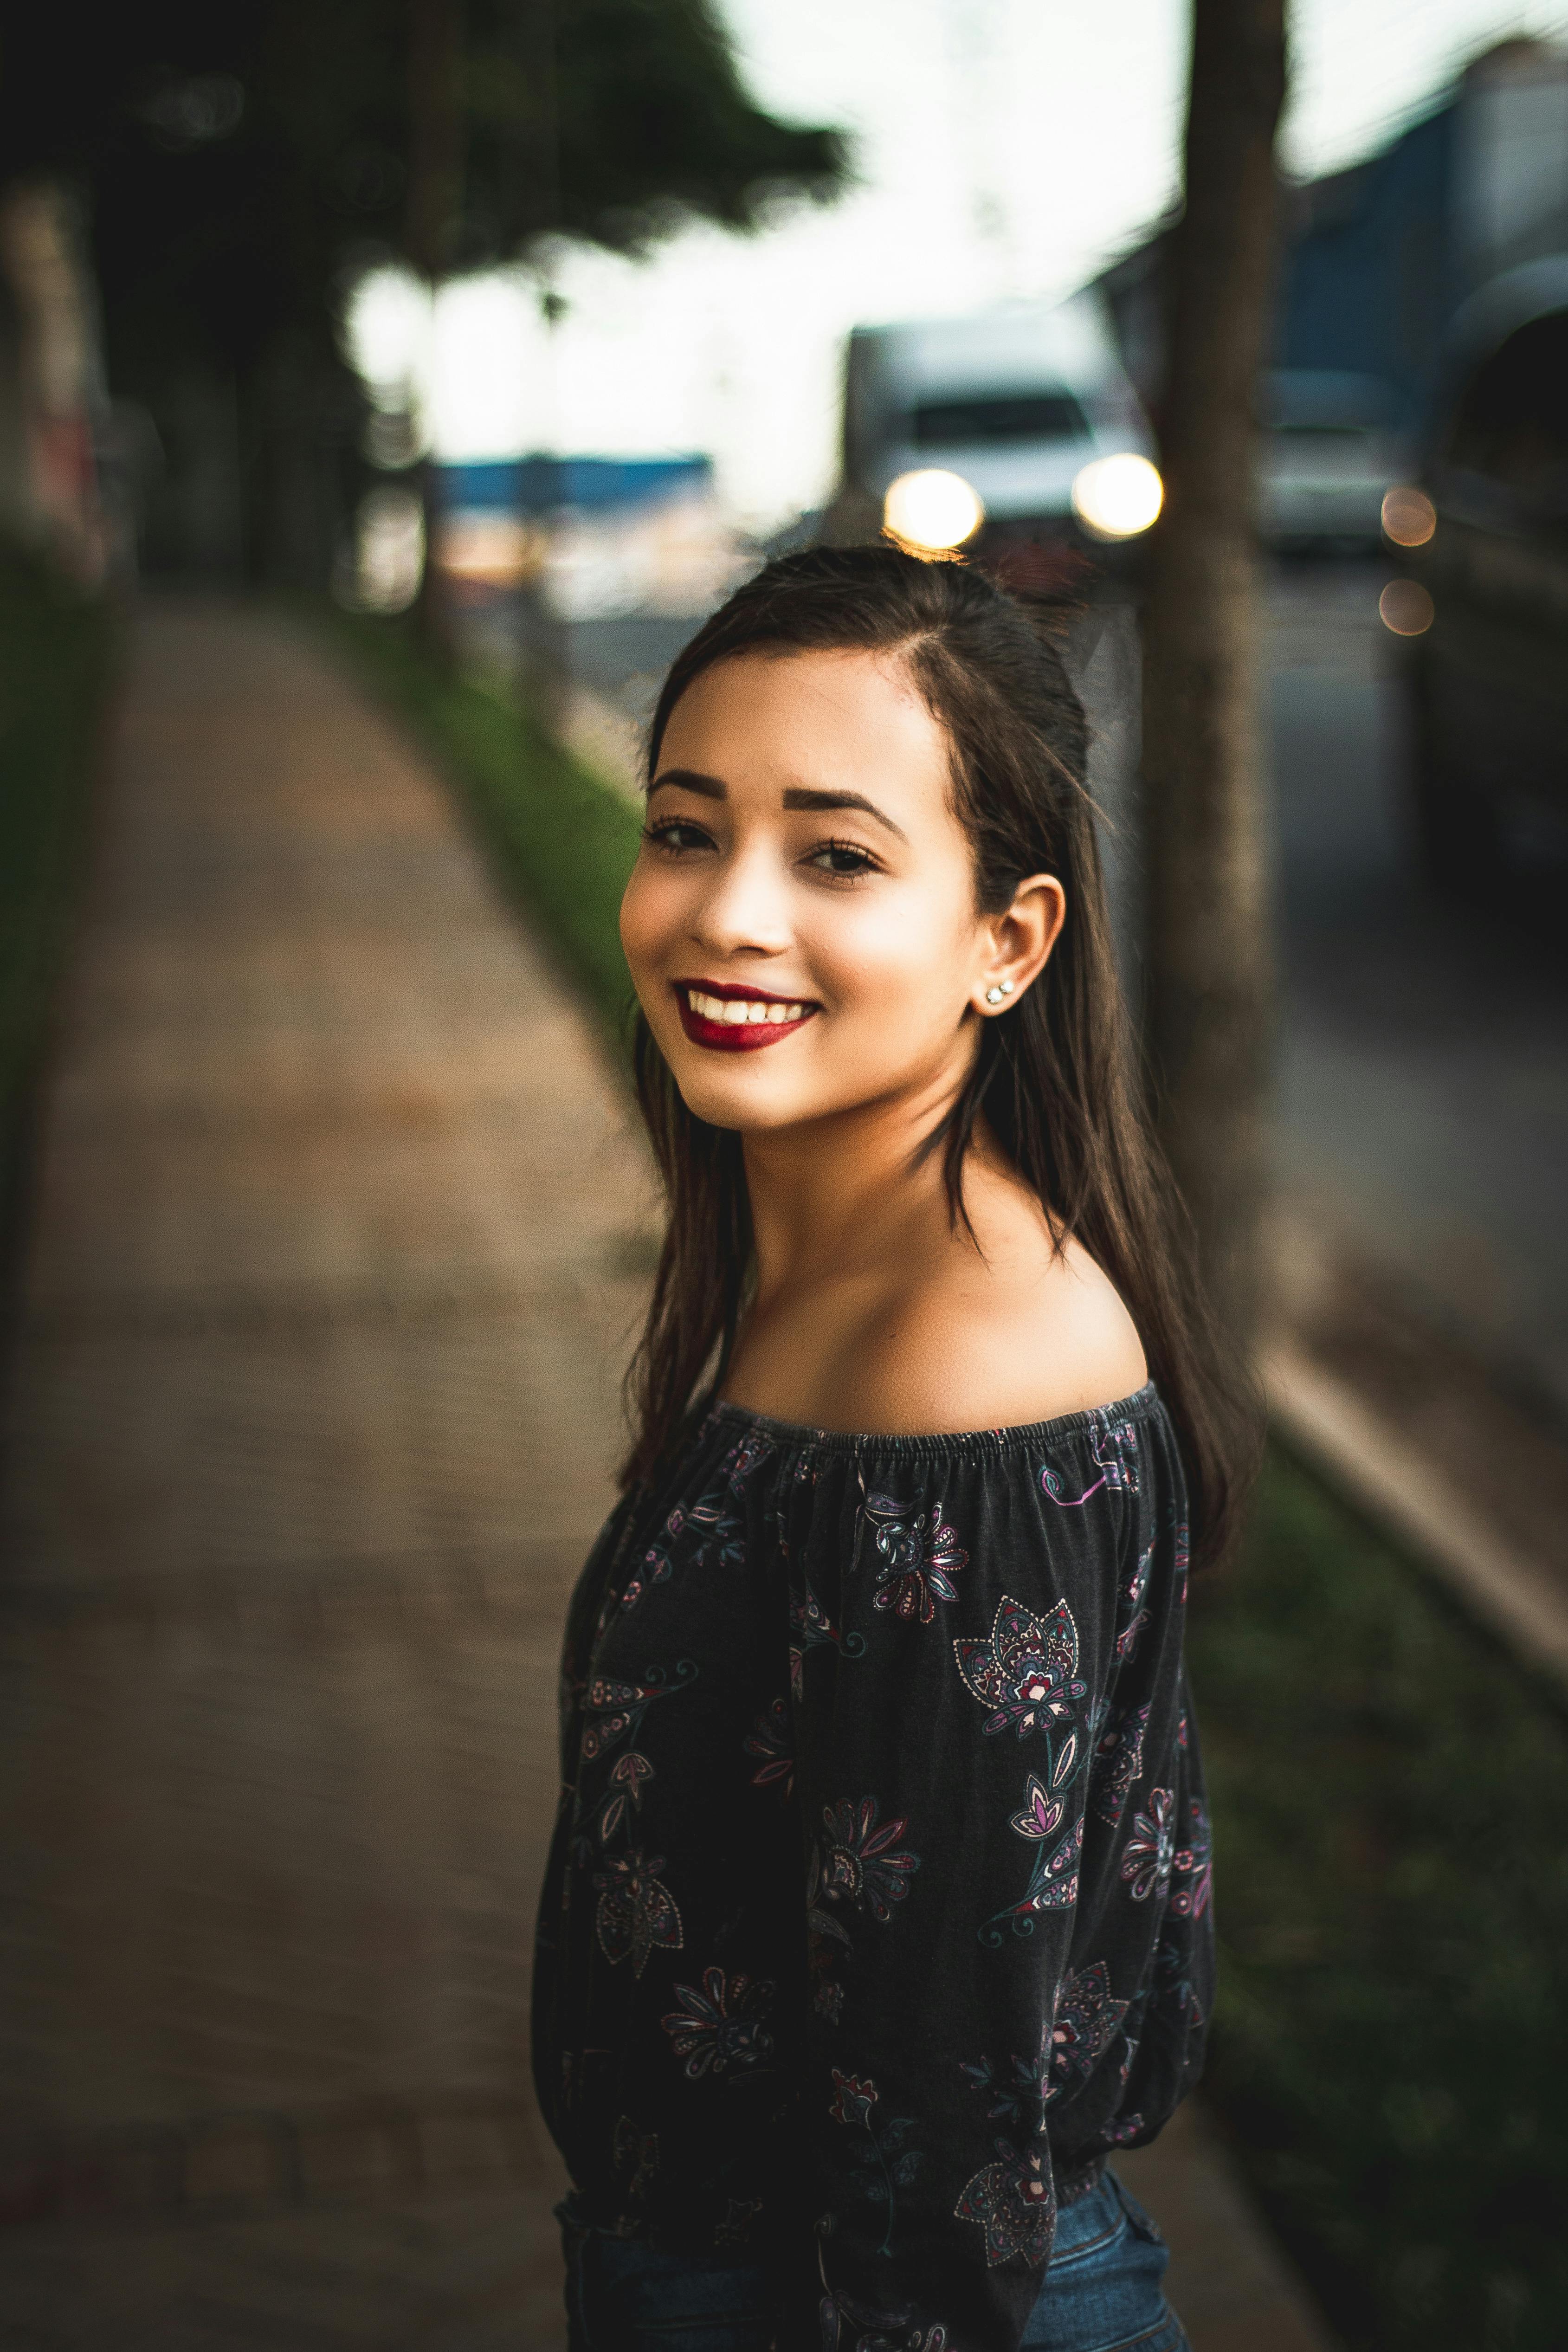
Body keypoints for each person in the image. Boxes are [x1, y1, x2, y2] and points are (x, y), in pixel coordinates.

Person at [531, 544, 1258, 2352]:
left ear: (1004, 940)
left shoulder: (969, 1378)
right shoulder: (822, 1260)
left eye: (835, 855)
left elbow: (940, 2153)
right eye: (687, 828)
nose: (725, 913)